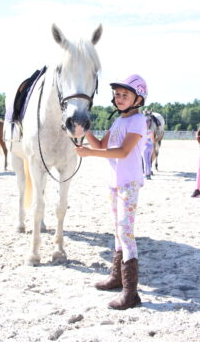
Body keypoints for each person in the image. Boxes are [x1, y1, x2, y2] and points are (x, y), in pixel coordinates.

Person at [75, 74, 147, 310]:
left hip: (129, 183)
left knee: (126, 232)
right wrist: (84, 132)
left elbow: (123, 152)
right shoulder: (117, 122)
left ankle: (131, 292)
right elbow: (100, 145)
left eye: (125, 94)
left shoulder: (138, 121)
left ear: (138, 98)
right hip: (114, 183)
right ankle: (117, 277)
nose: (120, 98)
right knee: (117, 231)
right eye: (117, 94)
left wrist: (90, 154)